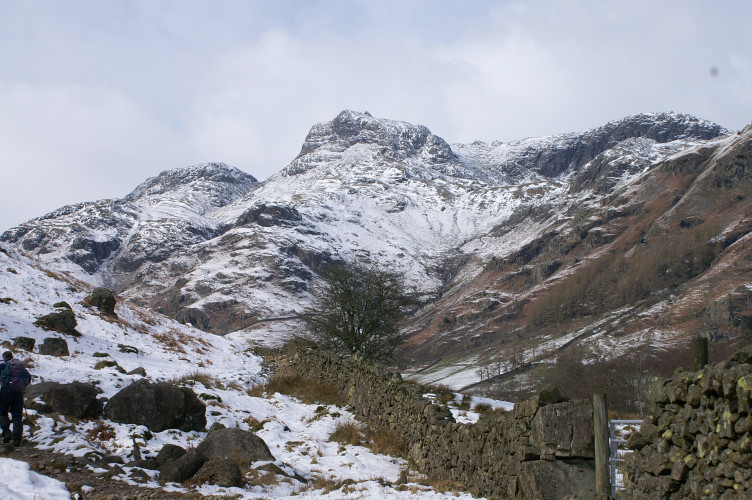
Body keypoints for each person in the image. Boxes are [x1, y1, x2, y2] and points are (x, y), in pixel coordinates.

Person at [0, 351, 31, 446]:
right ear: (12, 357)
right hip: (18, 394)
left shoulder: (3, 366)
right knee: (17, 416)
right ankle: (17, 439)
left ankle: (6, 432)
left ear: (4, 357)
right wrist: (21, 386)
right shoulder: (20, 366)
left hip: (5, 393)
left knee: (2, 412)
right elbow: (28, 378)